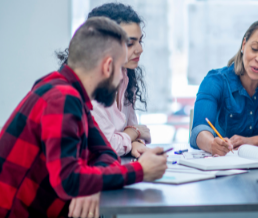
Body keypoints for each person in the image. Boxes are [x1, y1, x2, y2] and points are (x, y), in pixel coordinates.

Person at [0, 17, 167, 218]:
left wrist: (91, 182)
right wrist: (140, 170)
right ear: (107, 67)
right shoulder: (62, 99)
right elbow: (69, 181)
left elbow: (106, 152)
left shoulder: (71, 95)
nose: (123, 78)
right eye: (121, 68)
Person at [190, 19, 258, 156]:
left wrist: (252, 141)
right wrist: (211, 144)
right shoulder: (215, 81)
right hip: (223, 163)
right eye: (255, 49)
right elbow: (199, 130)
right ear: (243, 45)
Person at [58, 3, 150, 157]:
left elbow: (135, 131)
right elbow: (105, 146)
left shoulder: (125, 76)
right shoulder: (85, 88)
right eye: (130, 43)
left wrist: (133, 139)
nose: (140, 49)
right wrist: (133, 134)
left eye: (140, 41)